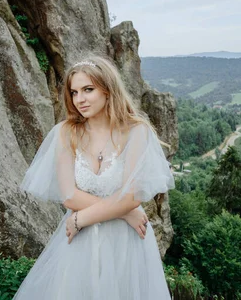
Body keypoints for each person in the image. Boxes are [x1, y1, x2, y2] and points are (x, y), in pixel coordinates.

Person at [14, 54, 175, 299]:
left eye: (88, 90)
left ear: (107, 90)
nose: (80, 99)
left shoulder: (136, 131)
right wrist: (125, 212)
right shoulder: (66, 132)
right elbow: (68, 195)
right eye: (74, 92)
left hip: (125, 242)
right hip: (82, 242)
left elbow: (131, 195)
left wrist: (82, 218)